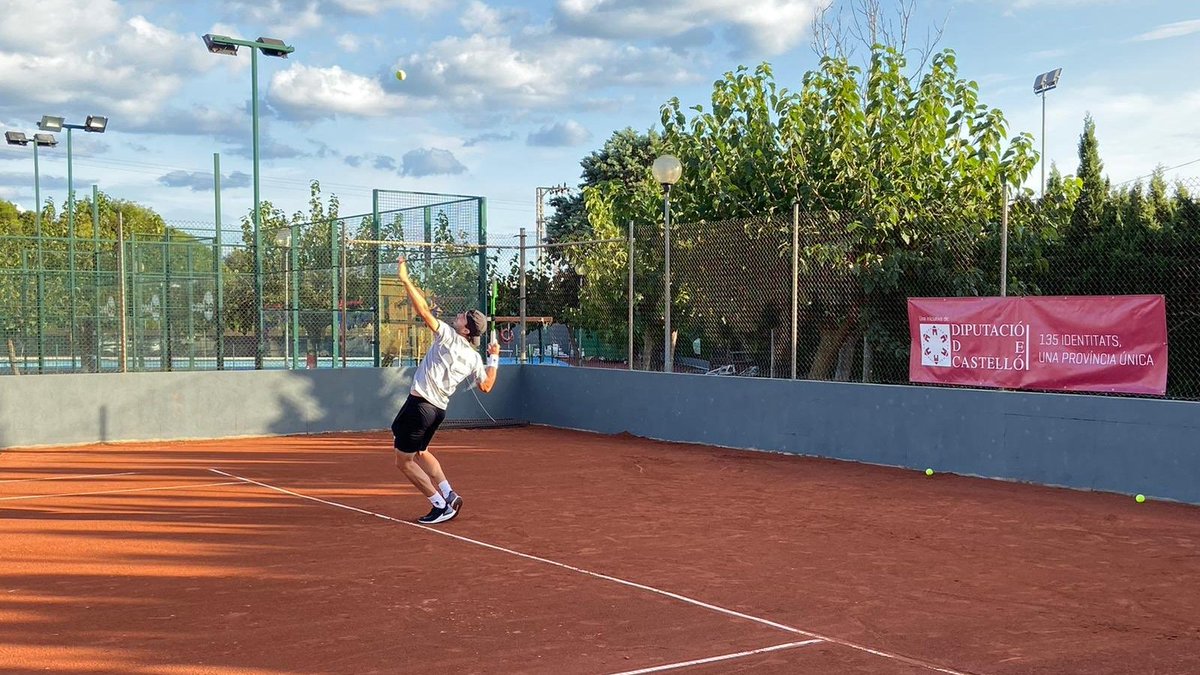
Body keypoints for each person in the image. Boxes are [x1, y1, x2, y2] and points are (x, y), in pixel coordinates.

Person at [391, 255, 499, 524]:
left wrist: (405, 279)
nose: (460, 315)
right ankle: (449, 494)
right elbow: (486, 386)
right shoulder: (475, 357)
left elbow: (424, 312)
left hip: (421, 407)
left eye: (465, 316)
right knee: (421, 452)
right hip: (436, 410)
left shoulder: (449, 336)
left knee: (403, 462)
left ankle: (440, 505)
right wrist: (494, 358)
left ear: (466, 329)